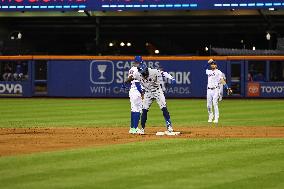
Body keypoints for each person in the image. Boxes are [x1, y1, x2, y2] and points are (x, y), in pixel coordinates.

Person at [124, 62, 176, 134]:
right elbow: (131, 77)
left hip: (157, 91)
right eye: (143, 73)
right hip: (148, 92)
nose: (144, 75)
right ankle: (142, 128)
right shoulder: (137, 74)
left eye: (145, 72)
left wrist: (171, 78)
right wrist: (125, 82)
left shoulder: (153, 71)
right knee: (144, 110)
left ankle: (169, 126)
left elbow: (164, 73)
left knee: (163, 108)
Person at [206, 59, 232, 123]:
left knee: (215, 103)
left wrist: (227, 87)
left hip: (216, 90)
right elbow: (204, 68)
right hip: (209, 90)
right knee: (208, 105)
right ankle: (211, 115)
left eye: (214, 64)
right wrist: (208, 62)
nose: (213, 65)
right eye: (212, 64)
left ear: (216, 65)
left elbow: (222, 80)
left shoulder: (218, 72)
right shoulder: (208, 71)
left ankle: (216, 118)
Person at [125, 56, 144, 134]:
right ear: (140, 62)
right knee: (138, 110)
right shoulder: (137, 70)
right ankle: (135, 128)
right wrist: (142, 93)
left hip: (132, 91)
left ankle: (132, 128)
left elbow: (129, 80)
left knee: (133, 109)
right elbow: (137, 83)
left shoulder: (131, 69)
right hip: (137, 92)